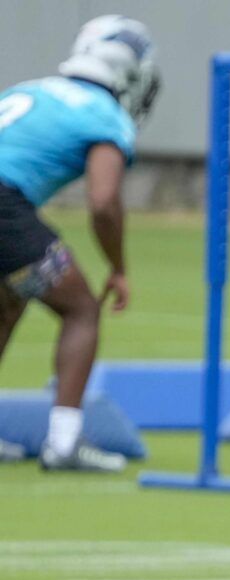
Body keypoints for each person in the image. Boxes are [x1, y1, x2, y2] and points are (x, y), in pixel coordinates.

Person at [0, 16, 156, 473]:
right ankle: (64, 442)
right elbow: (104, 202)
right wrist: (119, 267)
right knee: (80, 309)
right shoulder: (106, 115)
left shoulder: (31, 89)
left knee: (8, 302)